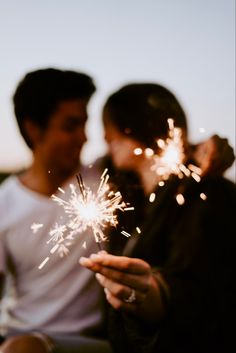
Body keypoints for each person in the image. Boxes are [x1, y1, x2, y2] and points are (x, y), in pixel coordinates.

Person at [80, 83, 236, 353]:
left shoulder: (205, 195)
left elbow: (200, 292)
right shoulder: (127, 194)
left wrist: (152, 294)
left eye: (111, 130)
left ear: (136, 128)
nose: (106, 140)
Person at [0, 68, 112, 353]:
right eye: (70, 126)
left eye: (85, 125)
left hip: (88, 342)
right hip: (14, 337)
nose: (84, 137)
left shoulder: (104, 183)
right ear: (33, 128)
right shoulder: (5, 204)